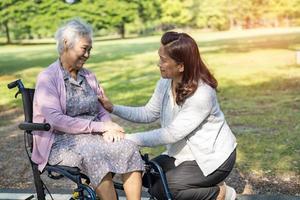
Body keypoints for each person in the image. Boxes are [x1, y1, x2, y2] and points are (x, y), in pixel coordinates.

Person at [99, 31, 237, 200]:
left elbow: (172, 133)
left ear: (181, 66)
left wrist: (126, 138)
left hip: (212, 158)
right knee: (145, 177)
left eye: (164, 60)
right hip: (181, 155)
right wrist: (112, 108)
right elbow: (148, 113)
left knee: (163, 190)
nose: (159, 64)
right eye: (160, 58)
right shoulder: (165, 83)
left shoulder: (202, 94)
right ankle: (202, 189)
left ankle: (220, 193)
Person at [31, 19, 144, 200]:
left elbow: (100, 109)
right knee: (95, 154)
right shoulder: (48, 77)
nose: (87, 55)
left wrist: (108, 126)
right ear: (66, 44)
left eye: (90, 50)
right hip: (61, 141)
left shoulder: (89, 76)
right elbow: (56, 120)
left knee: (128, 147)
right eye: (84, 49)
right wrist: (101, 127)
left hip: (92, 136)